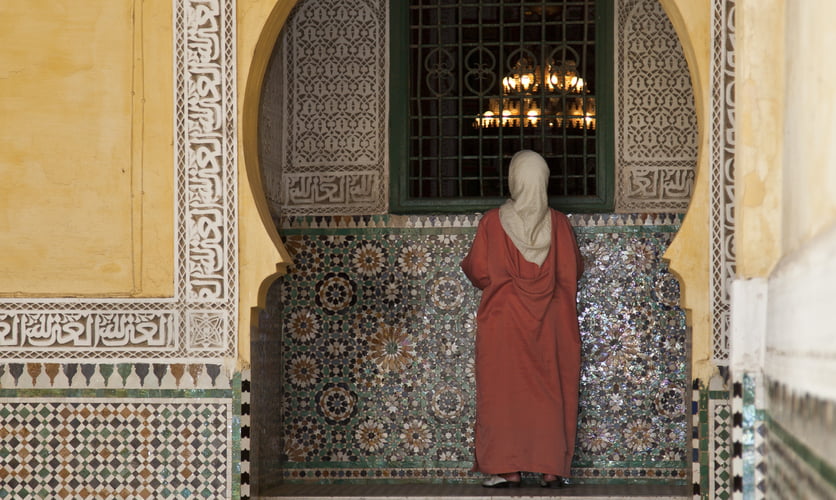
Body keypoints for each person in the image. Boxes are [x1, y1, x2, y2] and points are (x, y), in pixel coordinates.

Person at [460, 150, 583, 489]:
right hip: (553, 326)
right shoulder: (559, 224)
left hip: (504, 324)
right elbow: (573, 271)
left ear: (514, 180)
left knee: (503, 393)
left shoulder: (492, 222)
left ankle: (508, 470)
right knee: (551, 391)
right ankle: (550, 470)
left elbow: (479, 271)